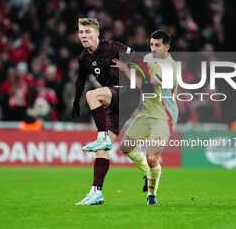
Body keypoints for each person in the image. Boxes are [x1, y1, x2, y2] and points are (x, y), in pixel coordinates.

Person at [72, 18, 137, 205]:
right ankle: (96, 192)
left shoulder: (112, 47)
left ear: (97, 34)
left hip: (127, 93)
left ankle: (101, 136)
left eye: (87, 32)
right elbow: (80, 81)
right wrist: (75, 102)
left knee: (93, 95)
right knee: (103, 150)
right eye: (81, 32)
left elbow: (138, 58)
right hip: (114, 99)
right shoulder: (84, 58)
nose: (84, 36)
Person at [112, 30, 178, 205]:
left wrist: (126, 69)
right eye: (151, 44)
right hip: (146, 113)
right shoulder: (149, 58)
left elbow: (147, 87)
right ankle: (147, 172)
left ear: (167, 47)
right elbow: (139, 67)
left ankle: (152, 195)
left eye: (157, 45)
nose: (153, 48)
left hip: (163, 117)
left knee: (151, 157)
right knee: (125, 146)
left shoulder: (169, 68)